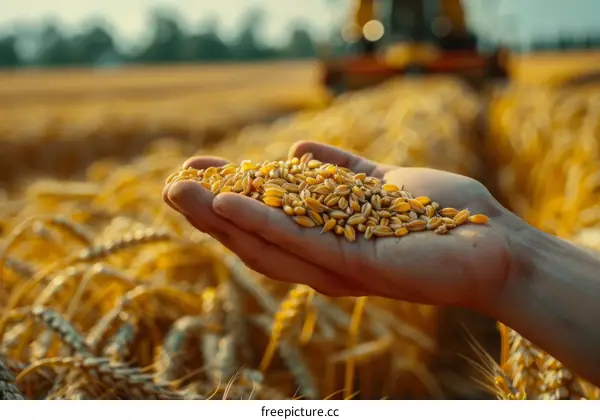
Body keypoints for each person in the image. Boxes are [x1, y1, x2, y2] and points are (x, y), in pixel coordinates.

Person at [163, 140, 600, 389]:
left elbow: (349, 207)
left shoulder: (377, 205)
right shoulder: (343, 199)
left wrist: (517, 257)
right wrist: (519, 259)